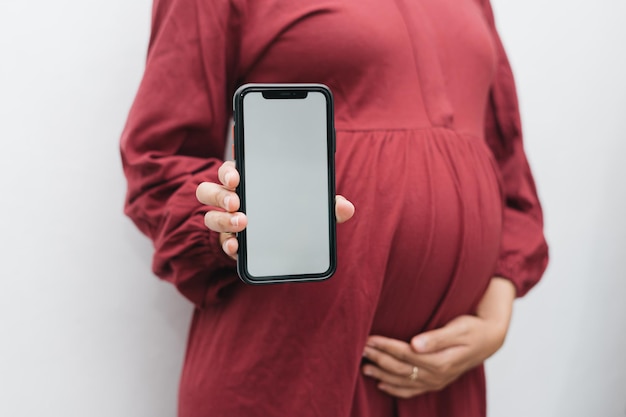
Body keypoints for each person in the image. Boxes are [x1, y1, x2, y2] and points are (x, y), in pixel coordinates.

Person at [120, 0, 549, 416]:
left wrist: (495, 318)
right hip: (292, 372)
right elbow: (158, 160)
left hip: (443, 385)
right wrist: (223, 219)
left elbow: (506, 167)